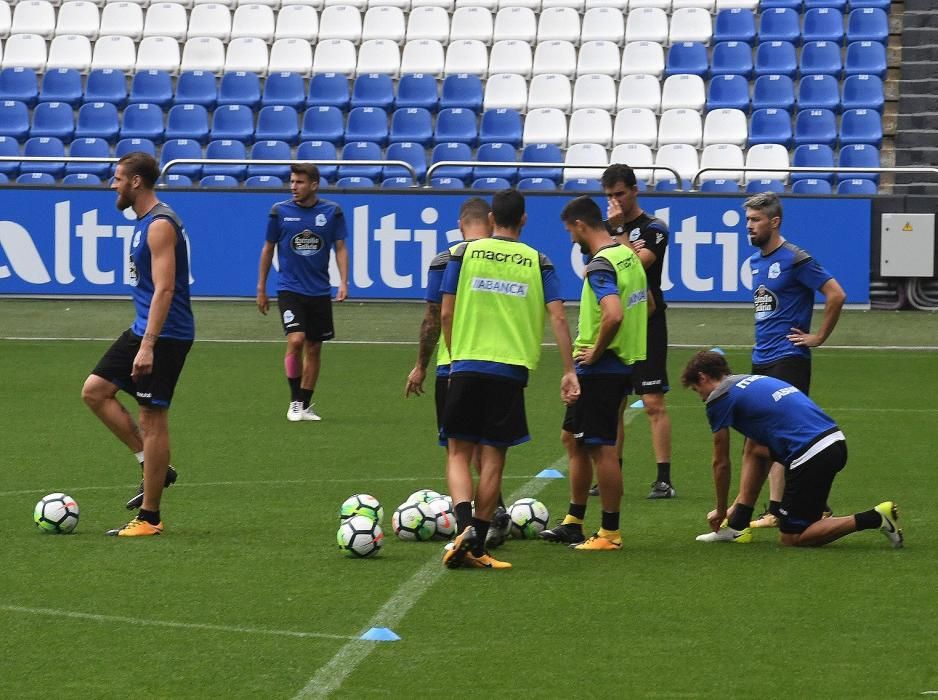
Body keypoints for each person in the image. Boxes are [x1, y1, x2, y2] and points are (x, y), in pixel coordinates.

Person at [439, 189, 580, 570]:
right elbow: (559, 317)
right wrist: (569, 370)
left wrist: (453, 360)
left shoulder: (462, 253)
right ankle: (479, 544)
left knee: (458, 452)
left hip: (466, 363)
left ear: (489, 220)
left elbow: (446, 313)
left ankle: (463, 528)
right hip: (510, 371)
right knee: (493, 459)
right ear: (524, 219)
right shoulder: (539, 260)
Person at [681, 350, 902, 548]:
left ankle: (875, 517)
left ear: (703, 377)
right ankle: (738, 527)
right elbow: (759, 446)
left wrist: (720, 510)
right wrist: (734, 510)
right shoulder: (747, 380)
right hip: (833, 443)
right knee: (755, 446)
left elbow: (721, 463)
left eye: (696, 389)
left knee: (792, 537)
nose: (701, 397)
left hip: (811, 455)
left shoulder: (719, 398)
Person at [81, 152, 194, 537]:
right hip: (144, 327)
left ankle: (150, 518)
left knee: (151, 415)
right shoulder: (142, 222)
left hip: (164, 334)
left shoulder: (160, 224)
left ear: (136, 182)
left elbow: (165, 288)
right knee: (95, 391)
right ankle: (152, 464)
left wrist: (147, 345)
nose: (112, 184)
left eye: (117, 178)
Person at [539, 196, 650, 550]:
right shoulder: (627, 255)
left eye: (570, 229)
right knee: (572, 438)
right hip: (616, 364)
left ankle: (610, 533)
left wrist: (596, 352)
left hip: (601, 368)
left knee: (601, 447)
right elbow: (646, 307)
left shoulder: (601, 264)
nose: (570, 236)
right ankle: (574, 520)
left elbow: (614, 314)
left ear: (580, 225)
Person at [403, 197, 510, 548]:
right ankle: (496, 511)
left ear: (460, 224)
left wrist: (421, 365)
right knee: (489, 447)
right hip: (500, 361)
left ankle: (475, 522)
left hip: (455, 364)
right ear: (491, 223)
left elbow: (434, 317)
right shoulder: (508, 259)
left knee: (459, 449)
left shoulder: (446, 259)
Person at [743, 192, 846, 528]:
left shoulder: (795, 258)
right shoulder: (757, 260)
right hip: (763, 357)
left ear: (774, 222)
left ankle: (815, 506)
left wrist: (818, 338)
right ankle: (776, 509)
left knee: (780, 437)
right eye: (747, 220)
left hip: (789, 358)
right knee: (768, 438)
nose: (750, 226)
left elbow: (836, 293)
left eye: (756, 220)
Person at [600, 163, 675, 500]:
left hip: (647, 319)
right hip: (616, 319)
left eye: (619, 193)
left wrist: (616, 233)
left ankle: (663, 478)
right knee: (612, 402)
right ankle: (610, 471)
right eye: (609, 195)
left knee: (652, 401)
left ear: (634, 190)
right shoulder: (607, 229)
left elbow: (634, 264)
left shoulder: (654, 228)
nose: (615, 200)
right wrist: (612, 231)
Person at [256, 163, 349, 422]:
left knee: (314, 348)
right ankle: (295, 401)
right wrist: (261, 287)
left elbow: (340, 247)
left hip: (319, 290)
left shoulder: (332, 212)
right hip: (290, 289)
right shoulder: (280, 212)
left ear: (314, 185)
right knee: (296, 340)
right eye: (292, 182)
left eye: (299, 182)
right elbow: (267, 249)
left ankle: (305, 404)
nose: (293, 187)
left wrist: (343, 282)